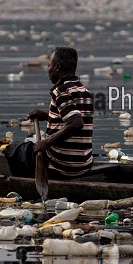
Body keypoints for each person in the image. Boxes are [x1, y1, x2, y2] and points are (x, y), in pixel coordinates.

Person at [24, 46, 94, 178]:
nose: (48, 69)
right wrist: (46, 115)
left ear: (57, 67)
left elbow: (76, 123)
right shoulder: (84, 91)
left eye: (49, 64)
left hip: (61, 165)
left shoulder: (61, 90)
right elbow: (73, 118)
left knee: (17, 152)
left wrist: (46, 143)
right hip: (84, 165)